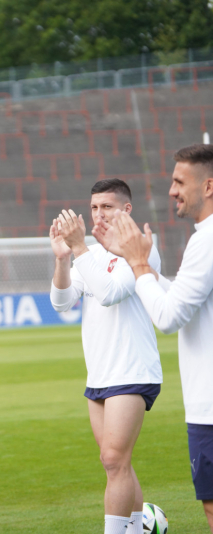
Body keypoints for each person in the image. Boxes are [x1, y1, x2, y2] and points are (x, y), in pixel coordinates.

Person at [99, 144, 213, 532]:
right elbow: (180, 298)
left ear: (208, 186)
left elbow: (167, 317)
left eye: (180, 181)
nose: (172, 190)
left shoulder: (206, 240)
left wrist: (137, 263)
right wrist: (141, 266)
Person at [49, 179, 162, 534]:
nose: (99, 214)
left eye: (107, 207)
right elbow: (62, 303)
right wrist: (63, 259)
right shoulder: (93, 254)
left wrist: (80, 248)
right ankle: (141, 527)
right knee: (115, 463)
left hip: (132, 369)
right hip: (99, 374)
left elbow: (110, 293)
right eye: (94, 208)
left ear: (127, 209)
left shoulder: (142, 249)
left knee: (114, 459)